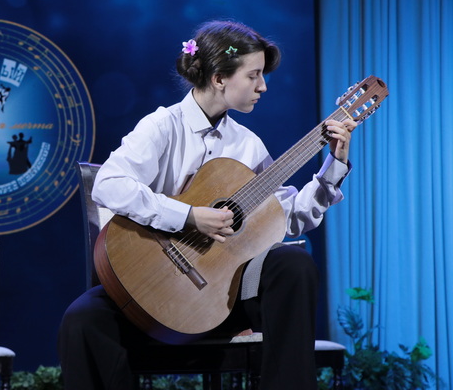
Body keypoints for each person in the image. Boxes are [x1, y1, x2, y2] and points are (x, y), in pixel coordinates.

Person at [57, 20, 356, 390]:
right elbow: (109, 184)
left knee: (292, 264)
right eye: (254, 75)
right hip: (154, 283)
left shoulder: (248, 145)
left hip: (222, 293)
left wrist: (333, 166)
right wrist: (188, 216)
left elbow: (287, 218)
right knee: (82, 320)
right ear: (219, 78)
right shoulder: (162, 126)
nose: (263, 86)